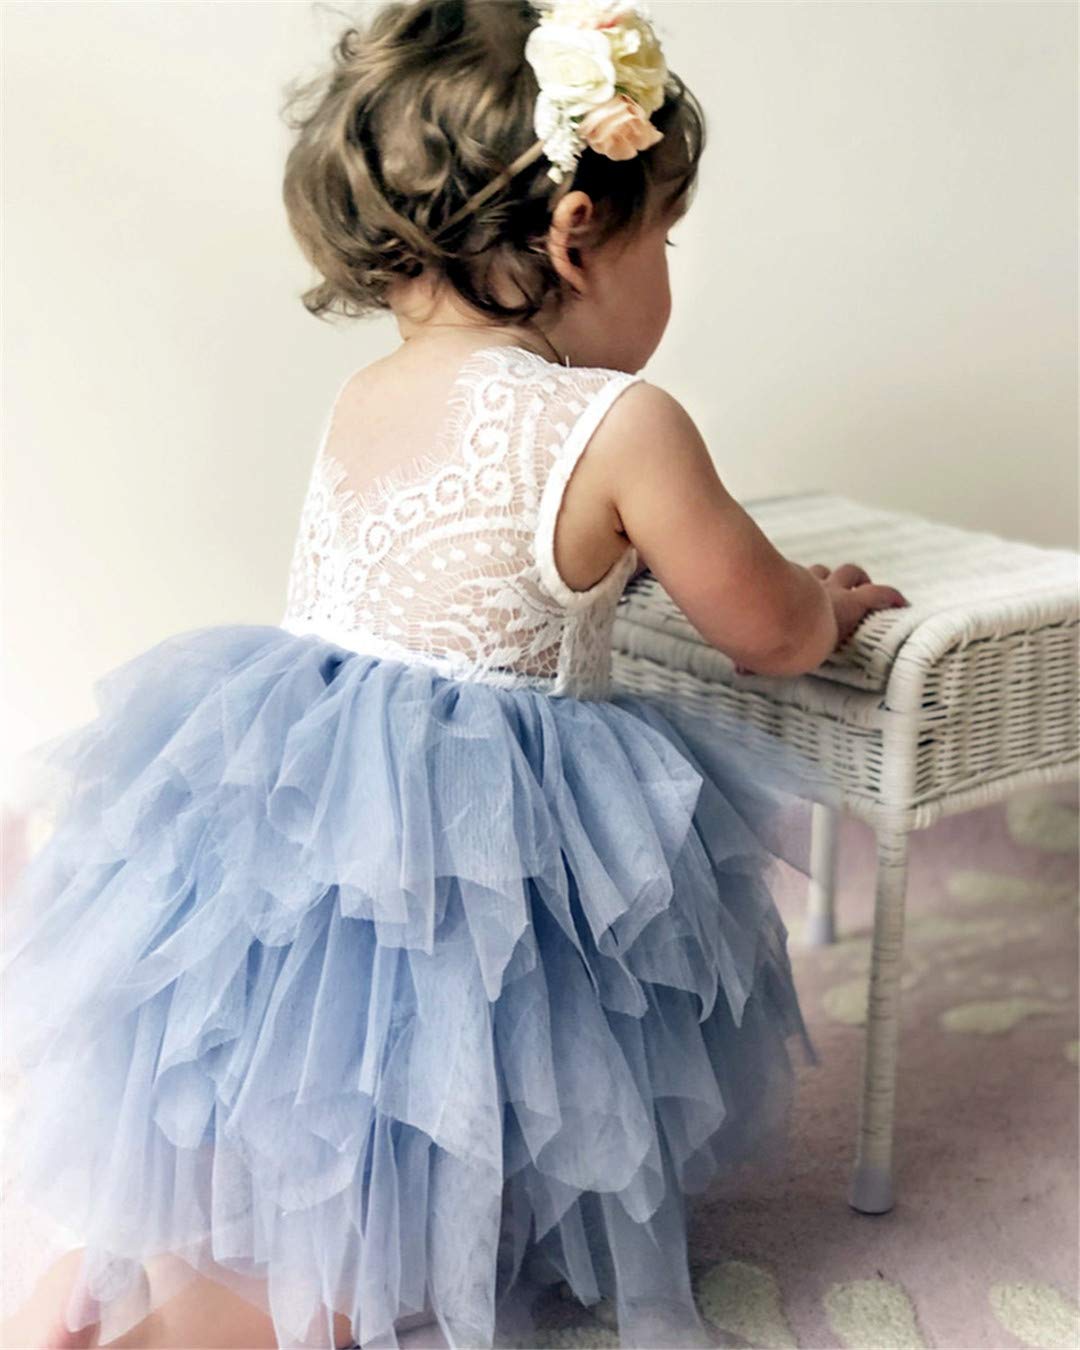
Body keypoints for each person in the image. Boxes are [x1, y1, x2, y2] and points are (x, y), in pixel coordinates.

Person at [0, 1, 910, 1347]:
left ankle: (113, 1275)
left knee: (276, 1086)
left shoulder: (369, 392)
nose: (667, 270)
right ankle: (237, 1311)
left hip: (296, 806)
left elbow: (467, 575)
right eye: (664, 238)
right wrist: (823, 605)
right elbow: (764, 631)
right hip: (466, 846)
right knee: (426, 1100)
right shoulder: (624, 423)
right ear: (578, 237)